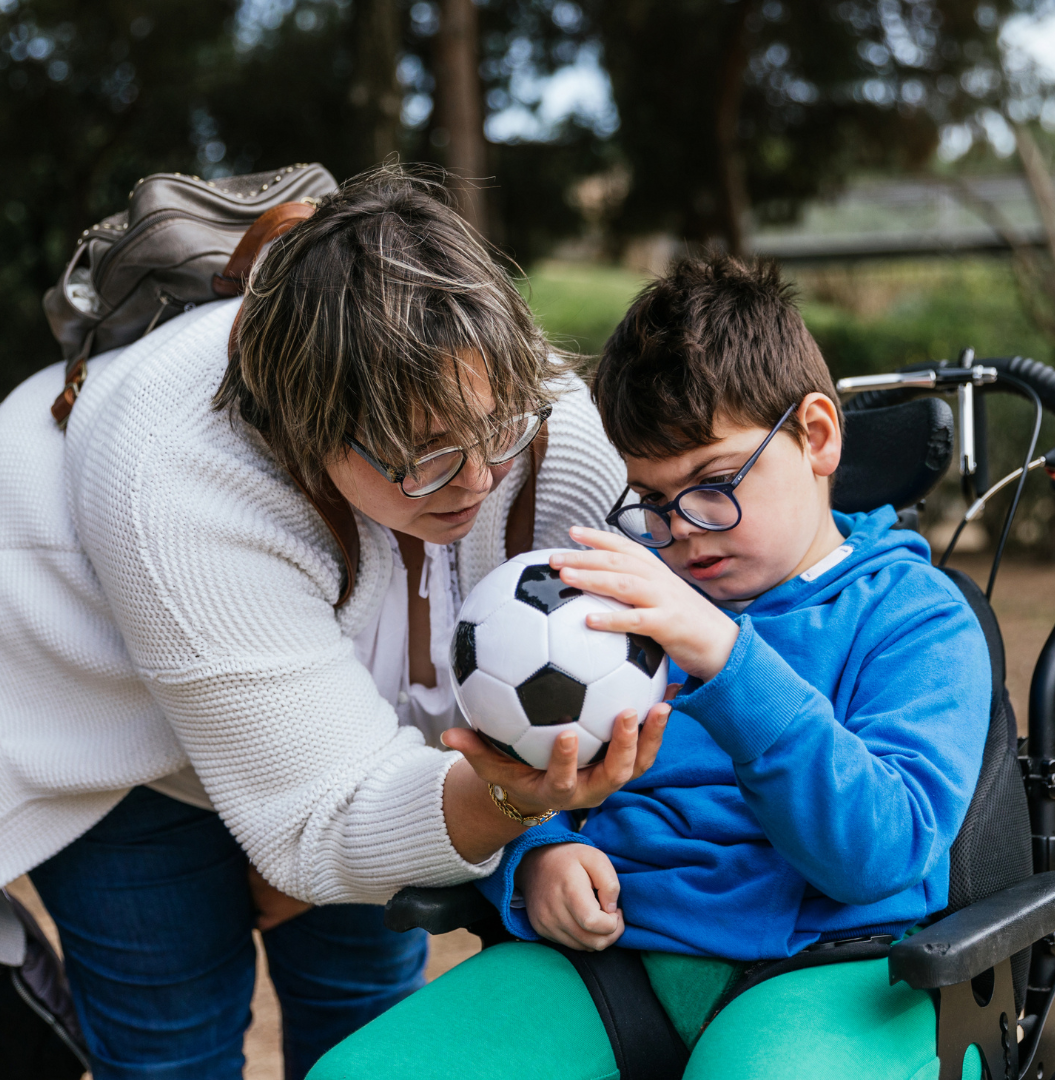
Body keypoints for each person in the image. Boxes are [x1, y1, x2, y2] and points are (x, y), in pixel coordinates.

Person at [0, 167, 669, 1080]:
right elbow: (323, 819)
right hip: (107, 720)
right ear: (302, 433)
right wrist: (493, 804)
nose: (479, 478)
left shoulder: (539, 415)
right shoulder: (180, 486)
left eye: (497, 431)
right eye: (424, 458)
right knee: (172, 1043)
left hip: (329, 690)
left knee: (363, 1010)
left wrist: (349, 848)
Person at [309, 255, 993, 1080]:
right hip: (611, 963)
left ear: (816, 435)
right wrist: (537, 859)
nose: (685, 529)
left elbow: (879, 856)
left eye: (714, 483)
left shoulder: (916, 617)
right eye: (653, 500)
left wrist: (729, 659)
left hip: (832, 962)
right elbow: (535, 770)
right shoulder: (607, 602)